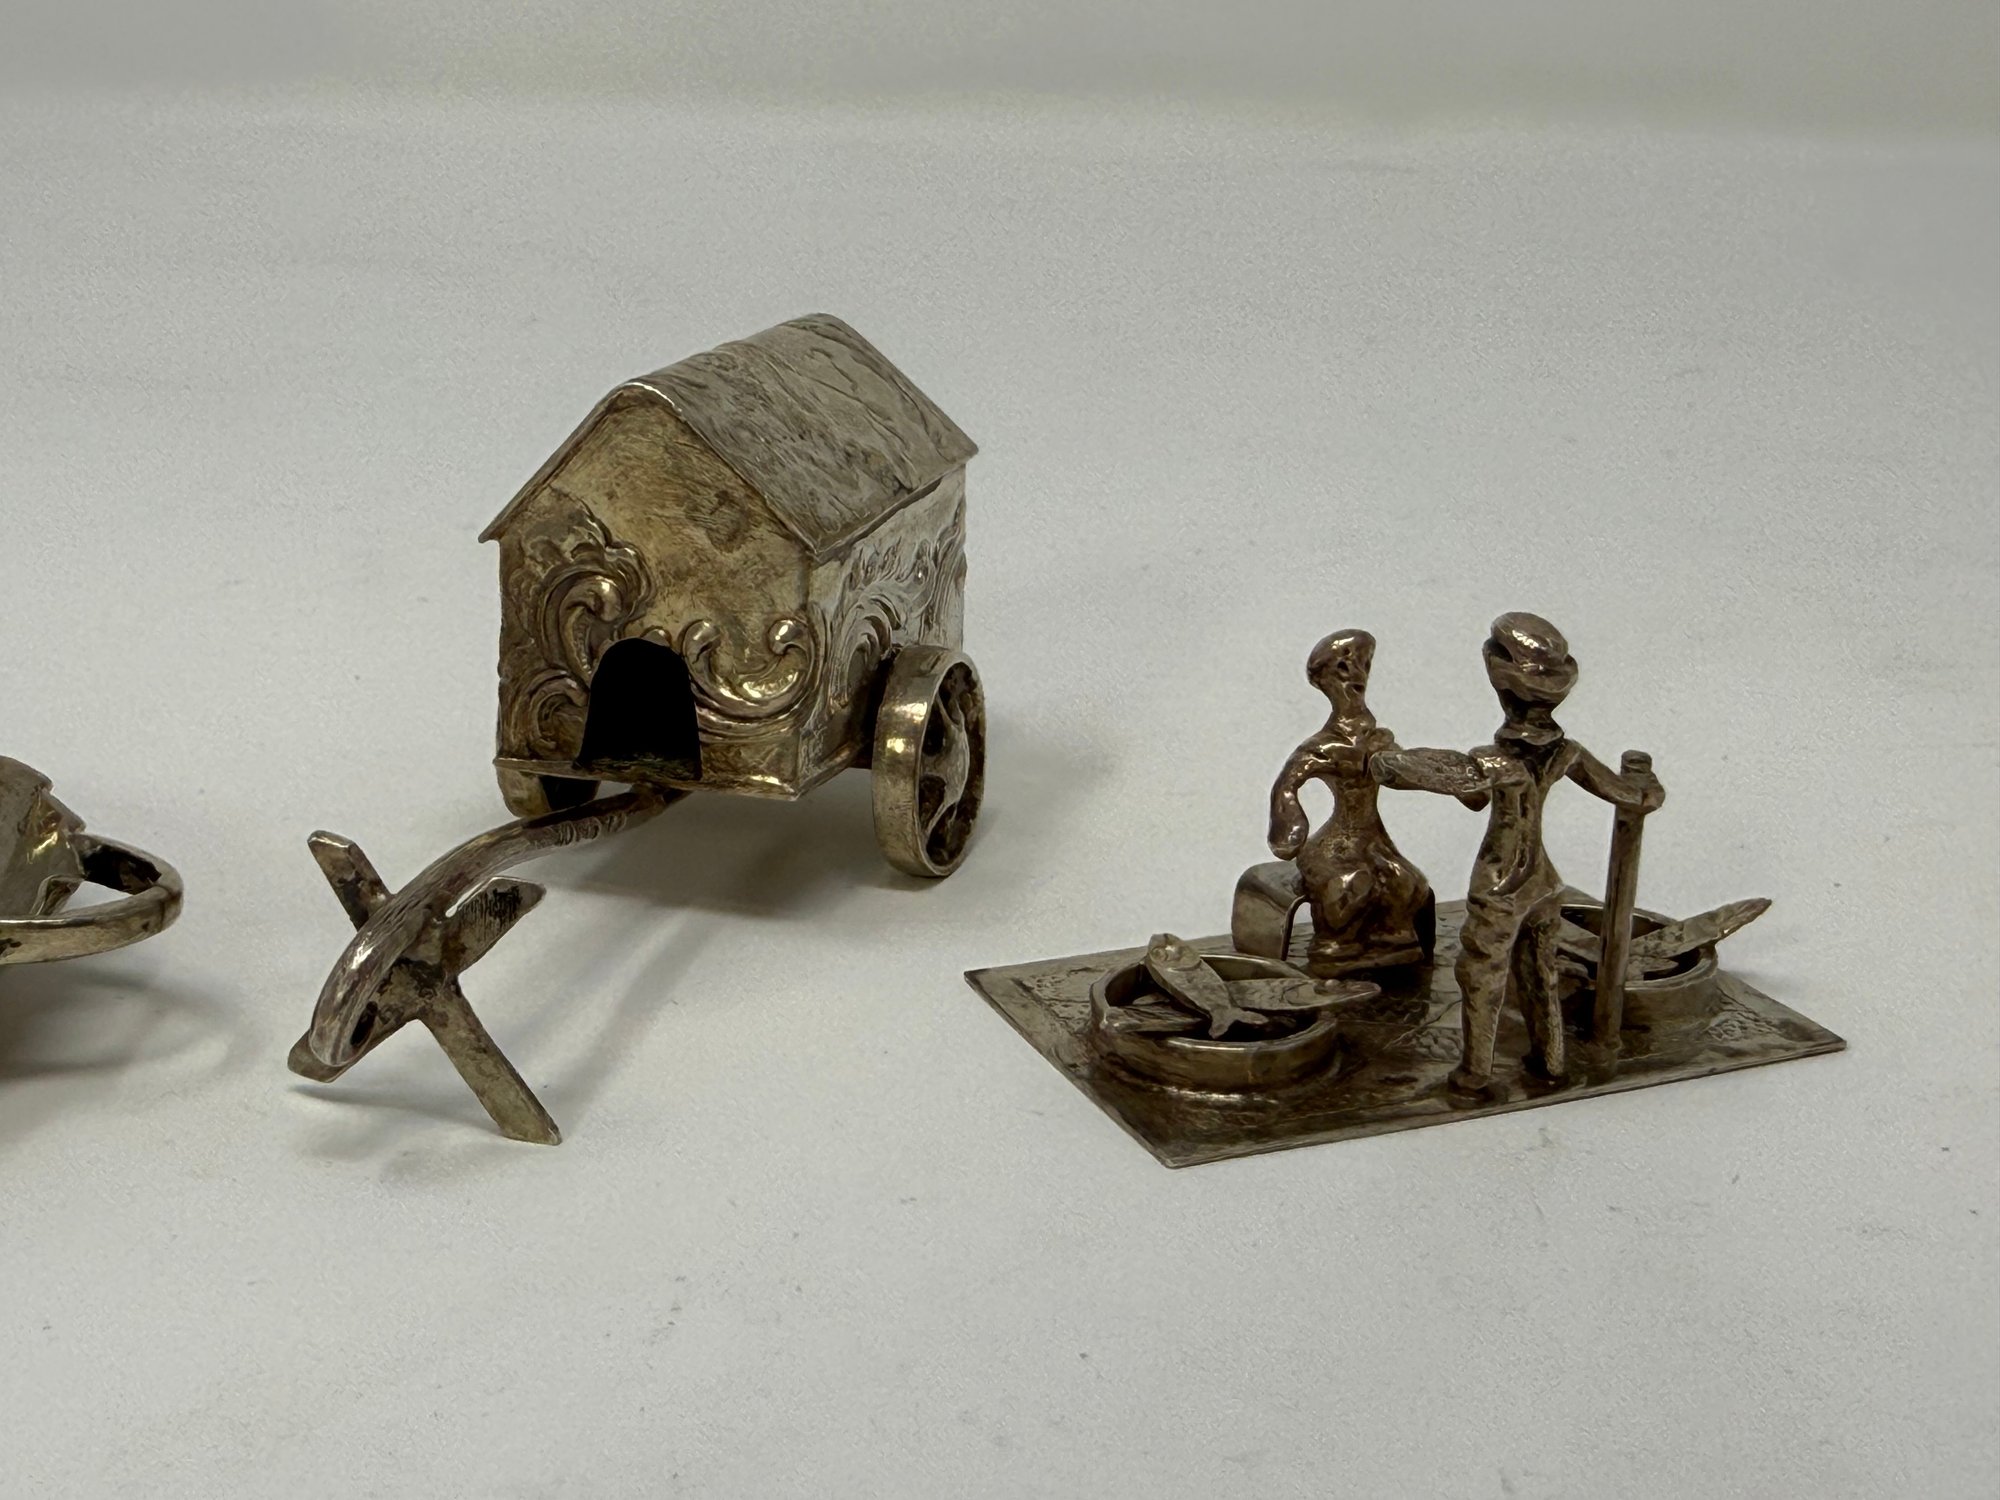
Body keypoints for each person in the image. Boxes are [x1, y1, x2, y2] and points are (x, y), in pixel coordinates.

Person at [1372, 613, 1663, 1092]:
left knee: (1480, 974)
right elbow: (1631, 796)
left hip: (1502, 883)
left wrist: (1386, 761)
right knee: (1540, 973)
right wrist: (1645, 785)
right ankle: (1551, 1060)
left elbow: (1443, 773)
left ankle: (1474, 1073)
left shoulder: (1497, 760)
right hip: (1544, 881)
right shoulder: (1566, 752)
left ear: (1502, 690)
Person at [1267, 629, 1433, 976]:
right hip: (1332, 845)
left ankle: (1393, 945)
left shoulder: (1378, 740)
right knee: (1350, 884)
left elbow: (1407, 772)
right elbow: (1286, 786)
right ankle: (1336, 949)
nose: (1357, 674)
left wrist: (1453, 782)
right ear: (1323, 679)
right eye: (1343, 667)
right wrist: (1291, 825)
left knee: (1407, 881)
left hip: (1372, 839)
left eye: (1364, 664)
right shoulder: (1321, 746)